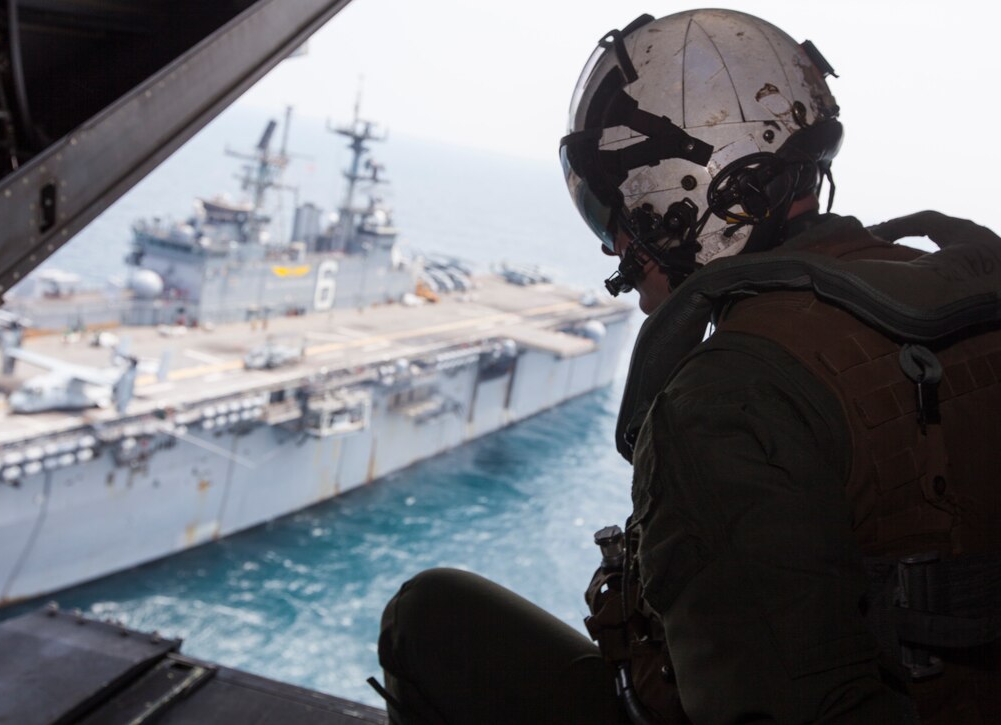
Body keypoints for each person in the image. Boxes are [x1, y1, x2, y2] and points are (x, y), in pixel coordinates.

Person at [376, 9, 1001, 723]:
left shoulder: (724, 398)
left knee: (429, 617)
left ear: (680, 194)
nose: (616, 248)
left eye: (616, 212)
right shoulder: (952, 291)